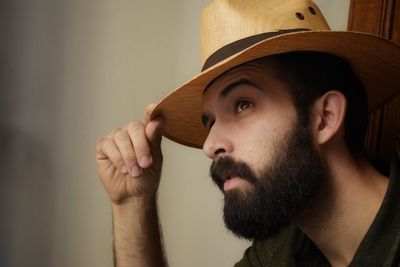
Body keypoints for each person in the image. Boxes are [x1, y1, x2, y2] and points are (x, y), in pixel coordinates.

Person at [96, 0, 400, 266]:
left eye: (243, 104)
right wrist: (132, 205)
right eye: (210, 121)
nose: (210, 145)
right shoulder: (283, 249)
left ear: (326, 117)